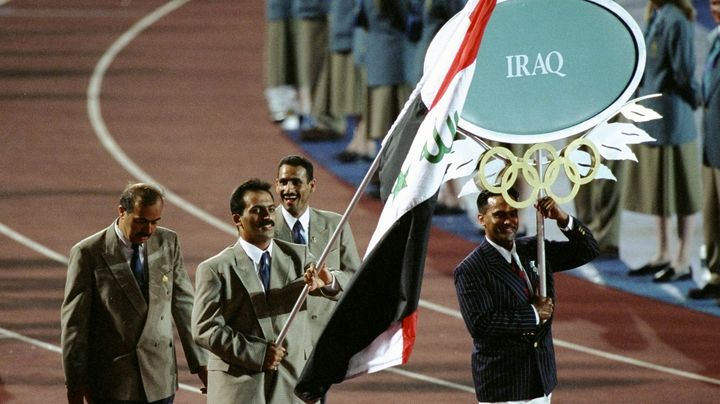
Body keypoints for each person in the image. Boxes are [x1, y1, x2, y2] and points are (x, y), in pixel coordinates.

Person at [191, 179, 338, 404]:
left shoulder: (299, 257)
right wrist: (258, 354)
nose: (268, 217)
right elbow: (205, 329)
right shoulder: (215, 269)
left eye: (270, 209)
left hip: (291, 389)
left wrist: (327, 283)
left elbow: (336, 288)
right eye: (257, 211)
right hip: (240, 391)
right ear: (237, 219)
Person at [60, 183, 208, 404]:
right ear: (122, 211)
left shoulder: (168, 242)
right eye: (141, 221)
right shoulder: (88, 253)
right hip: (112, 383)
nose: (148, 230)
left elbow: (185, 305)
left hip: (159, 378)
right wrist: (75, 384)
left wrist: (203, 365)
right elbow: (75, 325)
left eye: (154, 222)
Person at [454, 188, 599, 403]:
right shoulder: (471, 269)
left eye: (513, 213)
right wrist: (533, 313)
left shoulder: (535, 248)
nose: (508, 221)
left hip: (540, 376)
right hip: (504, 384)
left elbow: (589, 249)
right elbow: (480, 324)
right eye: (499, 215)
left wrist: (562, 218)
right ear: (481, 219)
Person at [625, 0, 702, 282]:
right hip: (657, 117)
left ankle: (682, 259)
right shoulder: (658, 15)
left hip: (673, 117)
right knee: (661, 189)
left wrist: (696, 98)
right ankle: (664, 252)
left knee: (681, 190)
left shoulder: (676, 19)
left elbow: (683, 71)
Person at [274, 155, 361, 344]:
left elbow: (355, 276)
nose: (288, 189)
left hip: (326, 338)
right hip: (282, 340)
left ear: (312, 185)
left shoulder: (336, 224)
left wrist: (331, 281)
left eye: (296, 182)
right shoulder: (263, 228)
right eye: (283, 182)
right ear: (276, 185)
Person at [689, 0, 720, 301]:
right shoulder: (714, 41)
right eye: (712, 2)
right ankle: (715, 274)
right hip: (711, 146)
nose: (714, 9)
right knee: (712, 216)